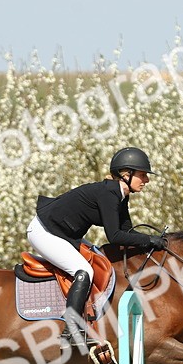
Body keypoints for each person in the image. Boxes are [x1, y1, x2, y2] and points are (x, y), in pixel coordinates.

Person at [28, 146, 167, 349]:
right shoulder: (109, 194)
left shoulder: (120, 195)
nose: (146, 180)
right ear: (126, 174)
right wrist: (148, 240)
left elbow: (127, 232)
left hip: (62, 233)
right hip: (44, 232)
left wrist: (154, 240)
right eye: (142, 175)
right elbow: (115, 236)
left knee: (97, 259)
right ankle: (71, 329)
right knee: (83, 270)